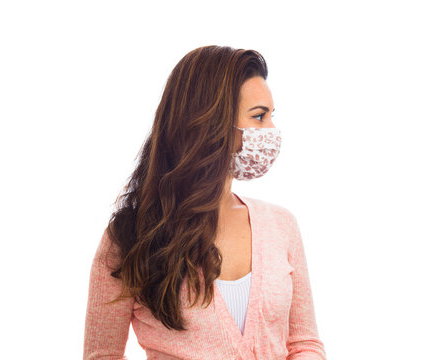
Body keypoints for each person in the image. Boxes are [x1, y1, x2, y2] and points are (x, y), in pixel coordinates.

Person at [83, 45, 327, 360]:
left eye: (271, 116)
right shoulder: (129, 236)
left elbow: (305, 344)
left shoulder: (281, 225)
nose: (272, 131)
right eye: (259, 117)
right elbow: (102, 354)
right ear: (210, 122)